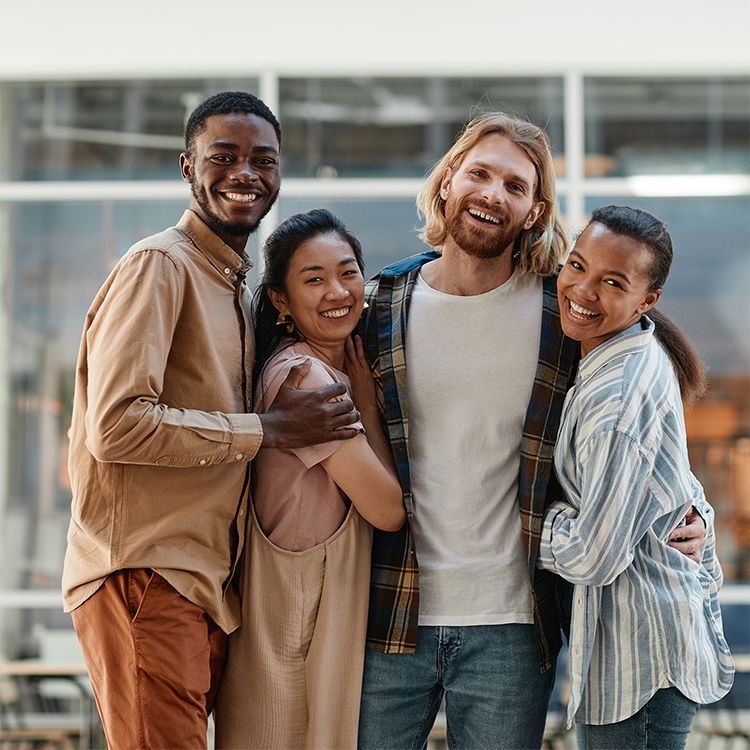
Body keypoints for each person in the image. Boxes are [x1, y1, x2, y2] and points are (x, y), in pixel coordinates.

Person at [356, 113, 707, 750]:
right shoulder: (382, 303)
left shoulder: (566, 312)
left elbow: (646, 420)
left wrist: (691, 512)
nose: (493, 193)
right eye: (480, 173)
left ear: (535, 211)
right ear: (447, 182)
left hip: (514, 627)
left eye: (515, 186)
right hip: (392, 613)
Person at [61, 93, 360, 750]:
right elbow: (115, 426)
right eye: (223, 157)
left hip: (198, 588)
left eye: (263, 159)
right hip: (146, 574)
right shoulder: (160, 266)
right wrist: (270, 429)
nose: (245, 173)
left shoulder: (231, 284)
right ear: (187, 166)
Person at [537, 205, 734, 749]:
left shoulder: (617, 393)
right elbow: (673, 485)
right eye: (577, 266)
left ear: (648, 300)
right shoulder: (622, 355)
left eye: (613, 282)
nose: (583, 289)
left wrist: (521, 517)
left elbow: (592, 555)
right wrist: (698, 518)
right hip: (635, 657)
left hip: (640, 664)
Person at [213, 209, 405, 750]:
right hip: (294, 632)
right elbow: (388, 509)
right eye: (313, 279)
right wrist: (366, 404)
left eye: (347, 273)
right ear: (280, 300)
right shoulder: (309, 380)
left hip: (291, 624)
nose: (337, 291)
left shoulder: (296, 366)